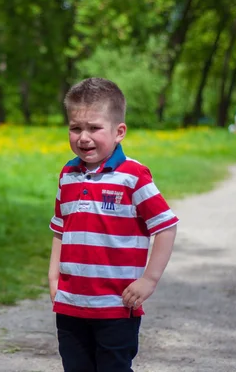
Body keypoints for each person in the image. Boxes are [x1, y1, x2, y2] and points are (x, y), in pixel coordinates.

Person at [48, 77, 179, 372]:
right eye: (75, 128)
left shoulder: (133, 176)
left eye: (94, 128)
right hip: (71, 302)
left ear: (119, 132)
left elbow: (165, 227)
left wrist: (149, 279)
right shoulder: (68, 174)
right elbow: (60, 229)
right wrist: (54, 276)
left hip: (117, 306)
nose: (83, 137)